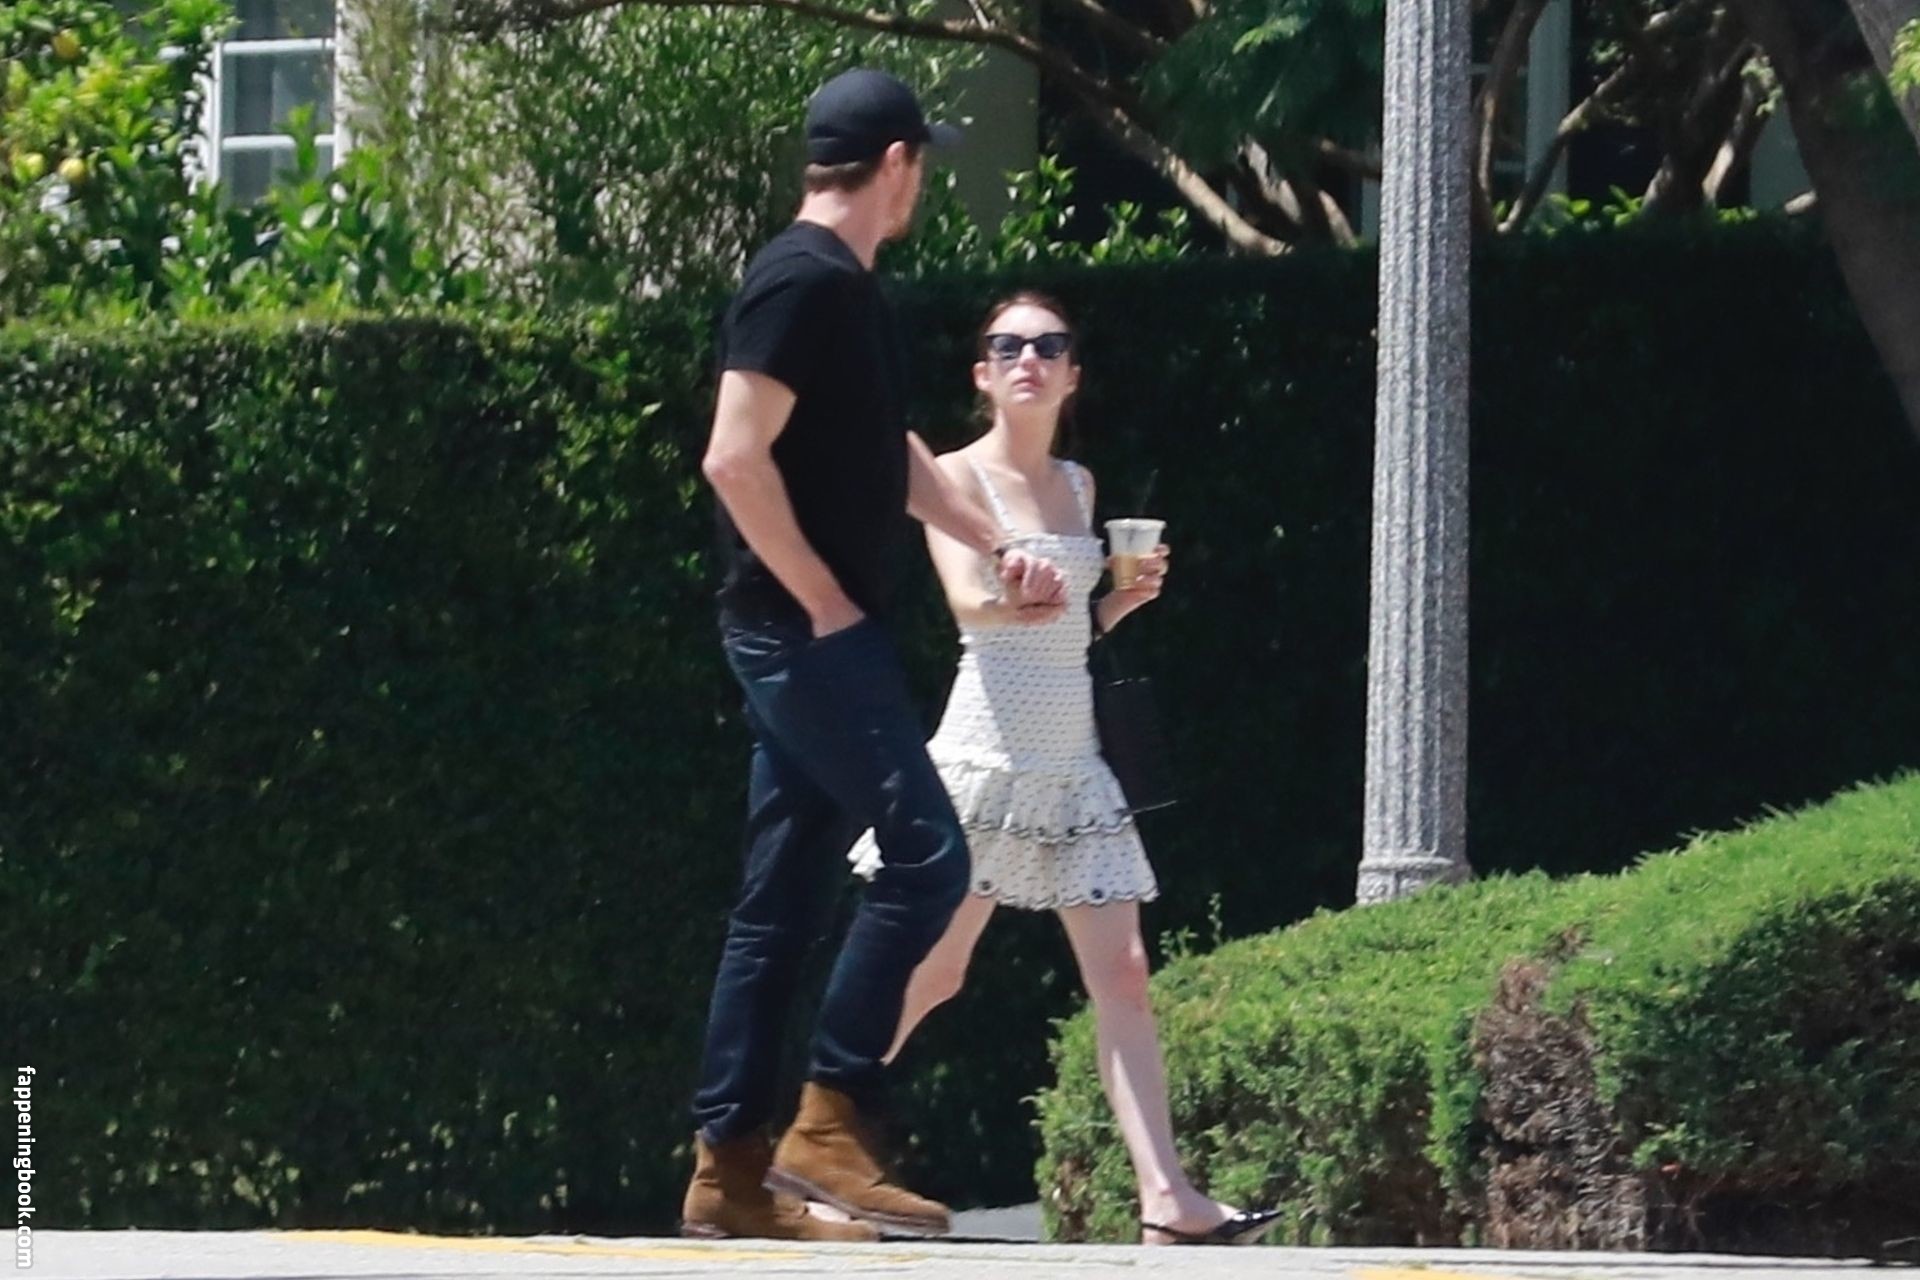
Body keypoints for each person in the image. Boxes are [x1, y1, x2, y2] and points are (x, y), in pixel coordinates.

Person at [682, 72, 1069, 1243]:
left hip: (808, 630)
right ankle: (830, 1116)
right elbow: (732, 456)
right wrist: (822, 602)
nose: (922, 185)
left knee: (781, 900)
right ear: (896, 163)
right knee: (929, 854)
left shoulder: (847, 292)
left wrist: (996, 542)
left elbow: (886, 451)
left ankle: (729, 1171)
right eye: (923, 165)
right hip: (801, 632)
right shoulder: (799, 279)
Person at [847, 292, 1283, 1247]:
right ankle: (808, 1142)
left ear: (1072, 375)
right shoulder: (956, 477)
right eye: (1007, 346)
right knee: (934, 971)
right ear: (982, 374)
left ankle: (1166, 1199)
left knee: (1124, 972)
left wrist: (1119, 603)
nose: (1028, 360)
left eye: (1048, 346)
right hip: (986, 758)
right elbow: (969, 607)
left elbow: (1074, 630)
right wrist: (1022, 599)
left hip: (1072, 760)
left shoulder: (1080, 487)